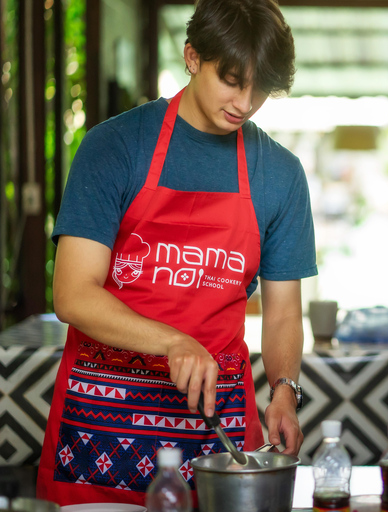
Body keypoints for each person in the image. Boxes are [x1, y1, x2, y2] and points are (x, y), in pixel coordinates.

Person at [37, 0, 316, 506]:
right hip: (98, 426)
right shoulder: (116, 146)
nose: (246, 102)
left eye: (261, 89)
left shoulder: (279, 173)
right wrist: (173, 342)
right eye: (232, 80)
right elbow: (73, 294)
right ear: (192, 56)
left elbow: (282, 314)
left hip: (216, 428)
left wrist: (283, 389)